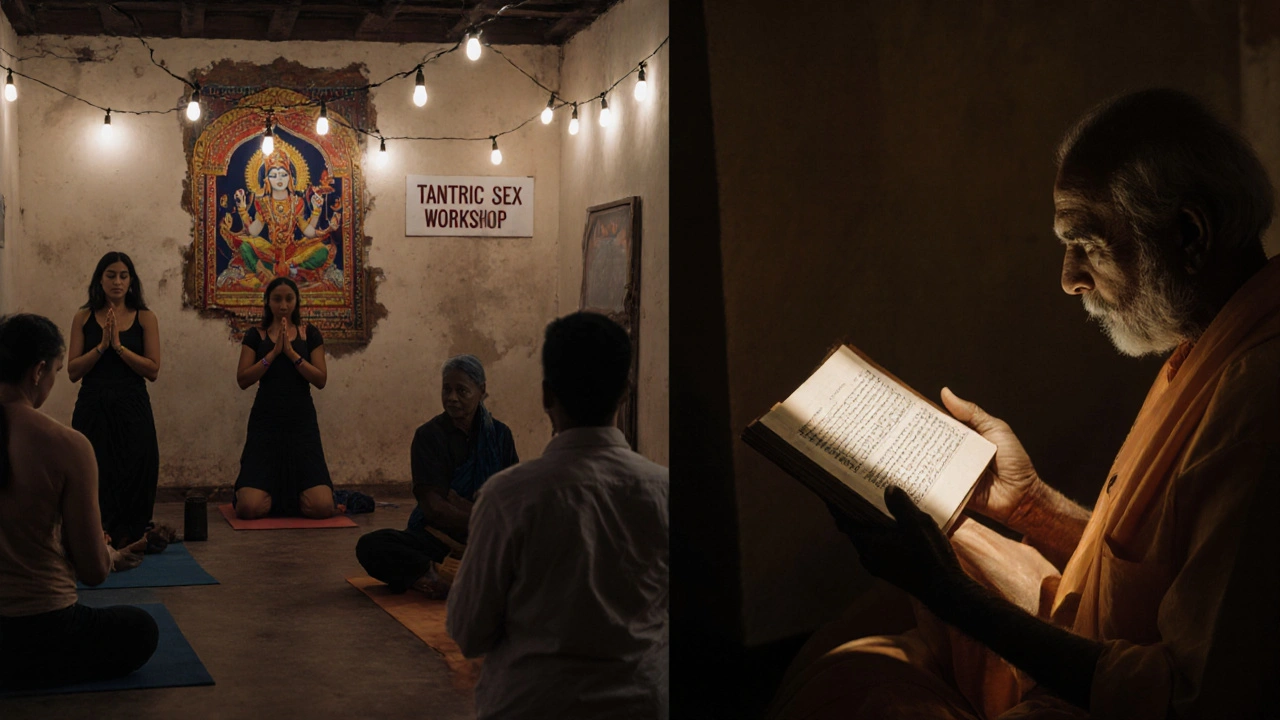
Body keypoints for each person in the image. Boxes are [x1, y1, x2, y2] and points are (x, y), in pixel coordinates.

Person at [770, 89, 1280, 719]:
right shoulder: (1212, 341)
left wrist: (950, 596)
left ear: (1188, 234)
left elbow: (1186, 697)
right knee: (869, 638)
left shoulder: (1259, 397)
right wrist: (1030, 504)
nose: (1069, 279)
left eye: (1086, 242)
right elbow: (1157, 573)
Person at [446, 312, 669, 720]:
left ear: (547, 396)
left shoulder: (509, 496)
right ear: (626, 392)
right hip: (641, 704)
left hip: (532, 705)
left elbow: (469, 632)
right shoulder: (663, 490)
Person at [0, 313, 158, 690]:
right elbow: (93, 571)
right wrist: (110, 556)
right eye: (56, 371)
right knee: (141, 628)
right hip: (41, 627)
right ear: (38, 371)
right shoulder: (66, 444)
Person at [355, 354, 518, 596]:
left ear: (481, 391)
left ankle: (446, 577)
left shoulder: (500, 435)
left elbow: (512, 503)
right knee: (372, 546)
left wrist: (468, 509)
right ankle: (439, 575)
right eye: (446, 389)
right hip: (439, 540)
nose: (451, 398)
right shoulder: (429, 436)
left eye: (461, 390)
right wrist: (484, 515)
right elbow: (435, 509)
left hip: (489, 541)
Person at [67, 251, 161, 549]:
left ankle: (130, 531)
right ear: (100, 279)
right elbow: (73, 371)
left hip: (132, 402)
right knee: (93, 467)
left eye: (123, 276)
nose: (117, 282)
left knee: (136, 465)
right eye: (111, 275)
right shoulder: (83, 317)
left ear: (131, 281)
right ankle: (97, 529)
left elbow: (153, 370)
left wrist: (119, 347)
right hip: (93, 402)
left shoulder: (145, 317)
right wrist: (102, 346)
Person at [233, 277, 335, 519]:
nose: (283, 305)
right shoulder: (256, 335)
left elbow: (320, 379)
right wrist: (273, 354)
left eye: (289, 299)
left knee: (321, 507)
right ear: (268, 302)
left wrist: (291, 354)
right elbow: (243, 379)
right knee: (248, 508)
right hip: (266, 423)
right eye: (277, 299)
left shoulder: (309, 334)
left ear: (296, 301)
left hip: (301, 423)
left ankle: (293, 495)